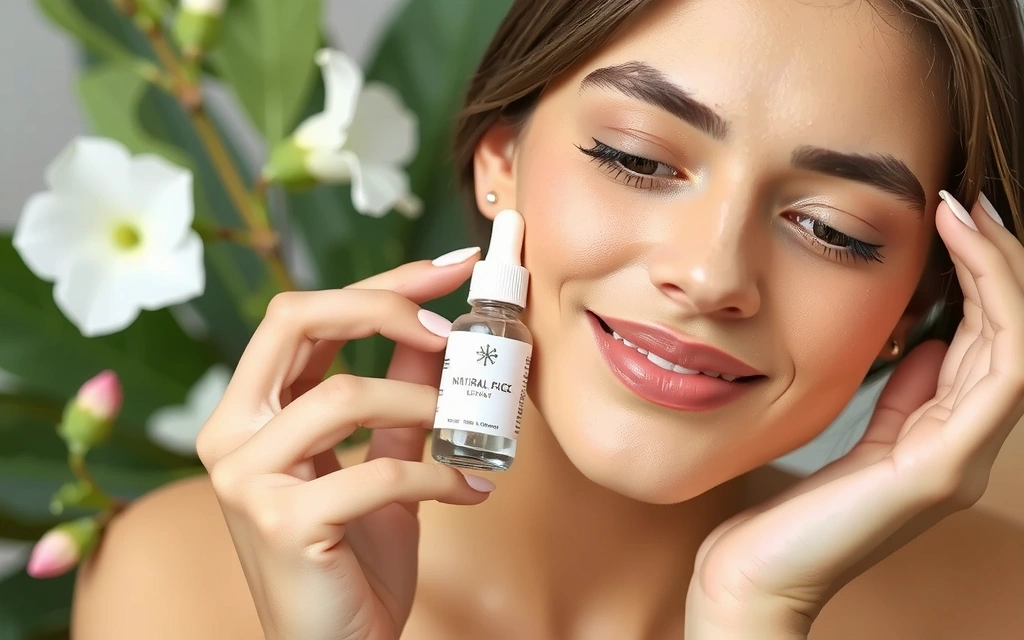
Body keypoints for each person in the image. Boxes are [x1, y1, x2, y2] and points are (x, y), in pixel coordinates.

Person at [71, 0, 1024, 638]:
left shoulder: (992, 605)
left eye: (831, 228)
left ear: (927, 299)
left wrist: (753, 611)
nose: (708, 273)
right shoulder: (174, 582)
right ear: (501, 165)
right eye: (638, 160)